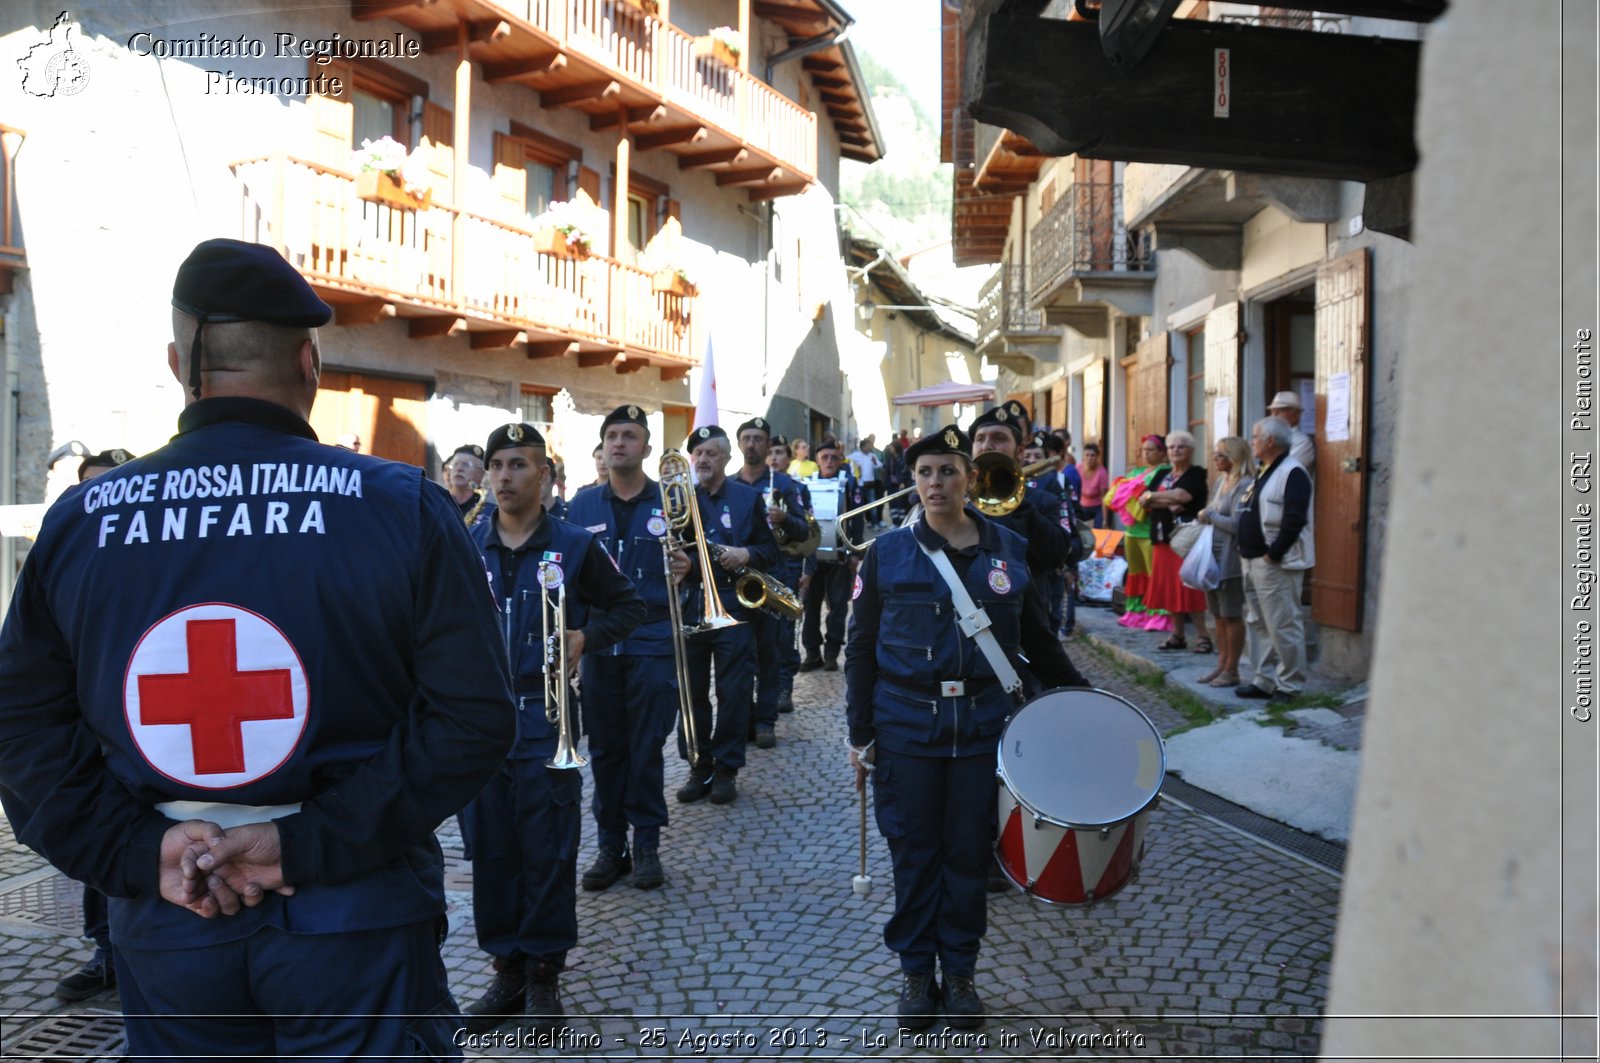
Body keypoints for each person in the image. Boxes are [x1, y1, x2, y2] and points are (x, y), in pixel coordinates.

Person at [0, 237, 514, 1060]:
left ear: (178, 363)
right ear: (309, 361)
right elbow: (474, 719)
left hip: (172, 916)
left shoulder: (83, 521)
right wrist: (301, 845)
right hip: (357, 915)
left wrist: (141, 851)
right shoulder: (400, 507)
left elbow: (21, 731)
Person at [845, 426, 1087, 1031]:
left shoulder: (1007, 548)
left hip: (982, 726)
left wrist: (1082, 699)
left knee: (967, 852)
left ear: (970, 478)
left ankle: (959, 973)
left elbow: (1035, 638)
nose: (936, 484)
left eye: (948, 471)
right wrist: (860, 733)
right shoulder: (885, 554)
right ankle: (915, 974)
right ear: (913, 481)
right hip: (906, 726)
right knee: (914, 852)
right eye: (925, 473)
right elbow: (861, 649)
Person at [459, 422, 644, 1033]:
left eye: (520, 464)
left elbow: (628, 605)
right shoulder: (464, 545)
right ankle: (505, 969)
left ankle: (543, 974)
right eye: (498, 465)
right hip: (482, 723)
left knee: (547, 850)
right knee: (491, 850)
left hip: (546, 719)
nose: (506, 476)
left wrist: (586, 636)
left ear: (545, 475)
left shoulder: (573, 545)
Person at [566, 405, 691, 893]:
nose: (619, 443)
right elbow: (571, 581)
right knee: (605, 747)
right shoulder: (580, 505)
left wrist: (692, 568)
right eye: (612, 435)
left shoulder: (674, 501)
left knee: (646, 748)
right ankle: (609, 844)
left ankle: (647, 846)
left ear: (645, 447)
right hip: (599, 643)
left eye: (630, 436)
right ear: (603, 446)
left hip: (654, 637)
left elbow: (704, 556)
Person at [53, 446, 138, 1003]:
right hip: (93, 722)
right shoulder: (71, 549)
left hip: (142, 726)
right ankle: (106, 951)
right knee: (101, 844)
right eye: (87, 487)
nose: (94, 499)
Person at [677, 425, 780, 805]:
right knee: (691, 694)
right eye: (697, 453)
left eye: (710, 453)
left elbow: (771, 551)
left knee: (734, 691)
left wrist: (747, 554)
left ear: (726, 458)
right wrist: (684, 563)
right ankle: (697, 764)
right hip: (691, 602)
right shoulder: (677, 499)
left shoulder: (747, 498)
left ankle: (726, 769)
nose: (702, 460)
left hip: (732, 604)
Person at [968, 406, 1081, 656]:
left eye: (999, 438)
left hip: (1027, 624)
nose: (987, 445)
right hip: (969, 621)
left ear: (1020, 451)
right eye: (980, 439)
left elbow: (1058, 554)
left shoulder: (1043, 501)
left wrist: (1021, 505)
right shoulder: (958, 503)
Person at [732, 417, 812, 747]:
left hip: (775, 576)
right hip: (736, 581)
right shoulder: (729, 485)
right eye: (746, 438)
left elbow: (806, 531)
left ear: (768, 446)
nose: (752, 444)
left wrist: (786, 519)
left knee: (770, 651)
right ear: (739, 445)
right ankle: (743, 718)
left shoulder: (785, 485)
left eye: (758, 439)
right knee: (737, 656)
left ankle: (765, 720)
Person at [1235, 416, 1315, 702]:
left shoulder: (1293, 472)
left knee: (1283, 623)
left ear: (1270, 441)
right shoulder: (1264, 470)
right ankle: (1263, 680)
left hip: (1275, 563)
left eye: (1256, 436)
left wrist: (1274, 554)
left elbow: (1295, 519)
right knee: (1258, 621)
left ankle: (1290, 685)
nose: (1252, 441)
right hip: (1252, 560)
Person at [1140, 430, 1213, 653]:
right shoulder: (1162, 474)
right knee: (1171, 589)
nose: (1175, 450)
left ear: (1191, 451)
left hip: (1185, 539)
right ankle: (1177, 634)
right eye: (1172, 447)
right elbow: (1144, 499)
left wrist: (1155, 498)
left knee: (1190, 587)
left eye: (1181, 447)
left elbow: (1183, 498)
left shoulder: (1196, 473)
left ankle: (1203, 636)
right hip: (1162, 538)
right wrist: (1161, 499)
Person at [1195, 436, 1257, 687]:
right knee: (1218, 615)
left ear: (1234, 457)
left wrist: (1209, 515)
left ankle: (1232, 670)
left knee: (1231, 615)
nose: (1215, 458)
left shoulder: (1246, 485)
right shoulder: (1221, 481)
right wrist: (1206, 516)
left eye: (1220, 454)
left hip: (1231, 558)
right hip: (1213, 556)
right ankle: (1221, 664)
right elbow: (1213, 514)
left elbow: (1238, 525)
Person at [799, 440, 863, 672]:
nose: (829, 461)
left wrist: (856, 553)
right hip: (813, 557)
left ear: (840, 460)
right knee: (811, 605)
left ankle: (831, 653)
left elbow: (857, 518)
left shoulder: (849, 483)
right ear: (817, 459)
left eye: (834, 457)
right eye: (824, 457)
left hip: (841, 556)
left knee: (838, 606)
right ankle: (812, 652)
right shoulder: (806, 484)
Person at [1107, 435, 1172, 633]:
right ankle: (1136, 610)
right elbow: (1118, 494)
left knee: (1154, 574)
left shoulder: (1165, 472)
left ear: (1162, 453)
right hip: (1132, 531)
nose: (1147, 453)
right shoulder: (1137, 471)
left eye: (1151, 449)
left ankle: (1159, 612)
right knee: (1136, 574)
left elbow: (1153, 496)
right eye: (1144, 449)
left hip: (1150, 531)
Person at [1267, 390, 1316, 475]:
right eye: (1272, 411)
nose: (1274, 415)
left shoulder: (1302, 442)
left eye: (1279, 411)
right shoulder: (1272, 439)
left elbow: (1282, 472)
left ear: (1294, 415)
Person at [444, 442, 488, 522]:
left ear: (482, 473)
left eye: (466, 465)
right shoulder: (438, 503)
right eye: (455, 464)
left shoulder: (488, 510)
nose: (459, 468)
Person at [1078, 442, 1110, 528]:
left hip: (1097, 508)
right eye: (1087, 455)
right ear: (1083, 456)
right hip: (1082, 506)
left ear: (1097, 457)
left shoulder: (1102, 473)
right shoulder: (1078, 468)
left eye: (1093, 455)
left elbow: (1104, 498)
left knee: (1098, 531)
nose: (1089, 458)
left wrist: (1105, 521)